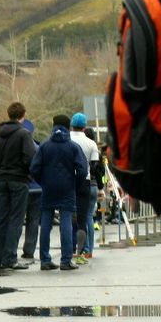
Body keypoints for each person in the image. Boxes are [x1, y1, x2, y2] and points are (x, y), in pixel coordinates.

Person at [30, 115, 87, 271]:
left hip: (48, 188)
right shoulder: (73, 147)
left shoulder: (44, 146)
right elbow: (82, 170)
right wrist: (75, 184)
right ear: (68, 127)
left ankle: (45, 259)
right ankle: (66, 260)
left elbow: (34, 168)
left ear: (53, 126)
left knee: (46, 223)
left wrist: (43, 182)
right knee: (66, 222)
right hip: (67, 188)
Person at [0, 102, 36, 271]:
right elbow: (31, 158)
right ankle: (10, 258)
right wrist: (27, 172)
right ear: (23, 116)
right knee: (16, 219)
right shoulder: (24, 134)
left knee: (1, 218)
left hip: (2, 179)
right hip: (19, 179)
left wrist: (0, 171)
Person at [69, 112, 99, 264]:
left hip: (67, 181)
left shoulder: (66, 139)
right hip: (85, 182)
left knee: (67, 216)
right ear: (85, 127)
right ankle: (86, 250)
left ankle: (69, 250)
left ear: (71, 125)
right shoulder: (91, 144)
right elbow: (94, 167)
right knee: (85, 217)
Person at [19, 119, 42, 262]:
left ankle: (12, 248)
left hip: (23, 188)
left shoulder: (17, 148)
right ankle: (29, 250)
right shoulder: (38, 148)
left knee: (18, 219)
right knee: (33, 220)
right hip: (38, 189)